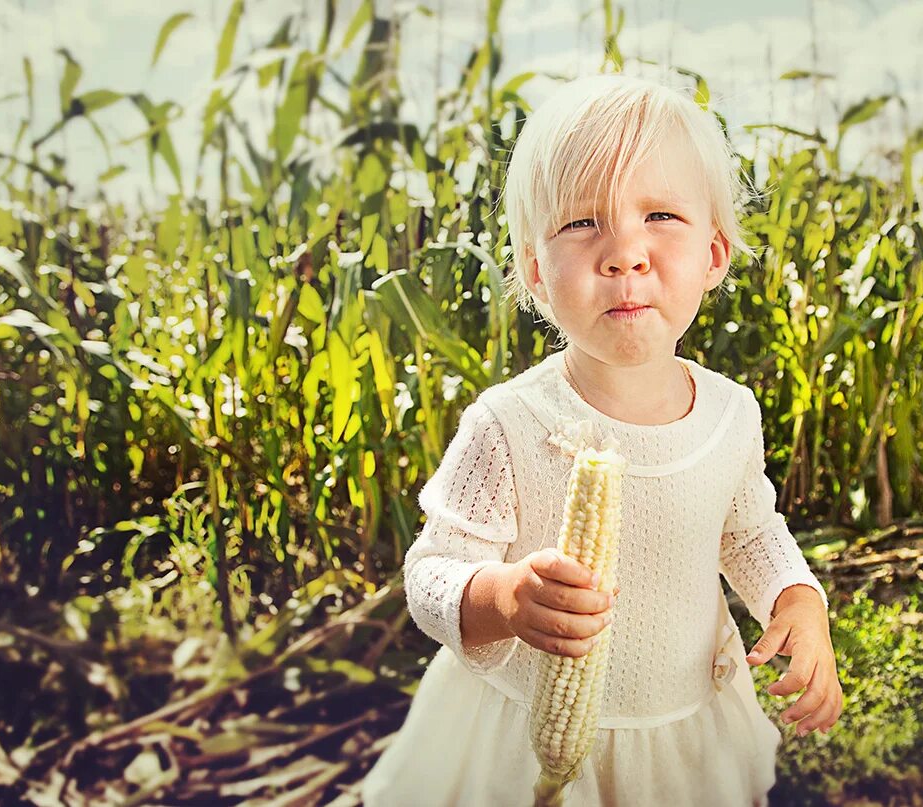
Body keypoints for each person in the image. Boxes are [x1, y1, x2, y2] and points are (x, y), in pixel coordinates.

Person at [361, 72, 842, 807]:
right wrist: (502, 597)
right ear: (535, 271)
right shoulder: (509, 421)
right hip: (524, 745)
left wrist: (798, 597)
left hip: (677, 735)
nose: (625, 252)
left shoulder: (729, 414)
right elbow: (431, 574)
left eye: (660, 215)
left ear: (713, 255)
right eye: (582, 223)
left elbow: (746, 531)